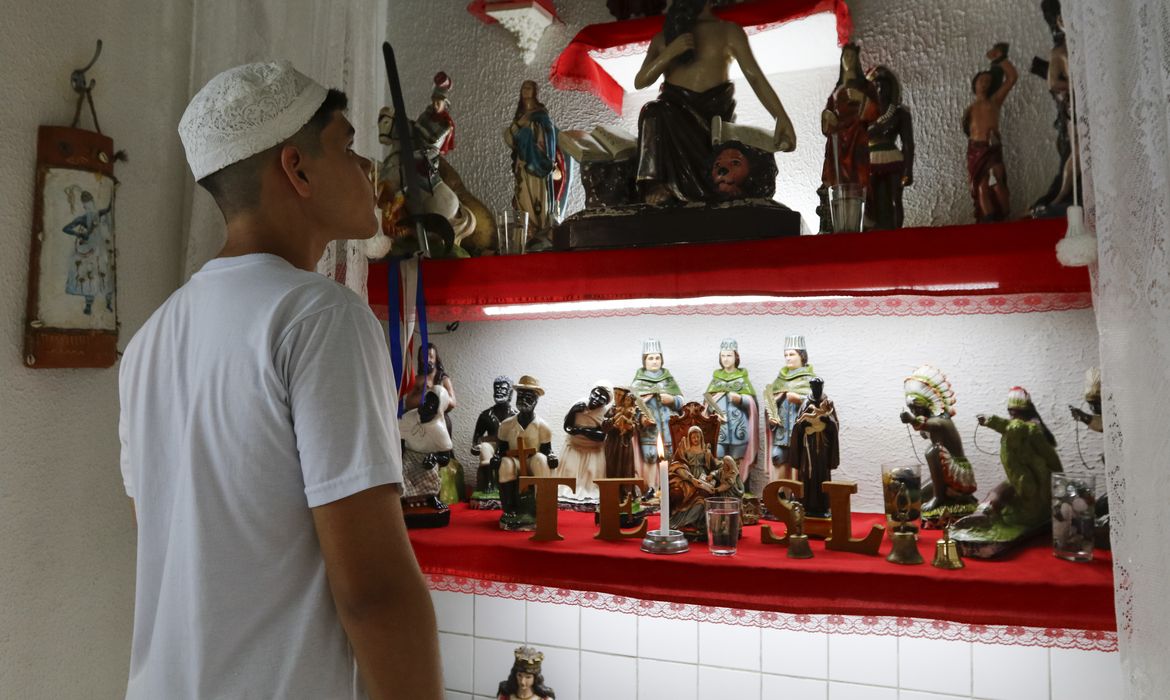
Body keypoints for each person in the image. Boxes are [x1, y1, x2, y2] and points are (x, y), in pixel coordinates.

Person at [118, 61, 442, 698]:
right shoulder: (320, 316)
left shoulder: (149, 342)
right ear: (296, 169)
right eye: (347, 146)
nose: (367, 169)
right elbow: (373, 593)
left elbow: (184, 552)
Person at [633, 0, 796, 204]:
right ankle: (654, 185)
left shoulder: (728, 31)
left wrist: (781, 117)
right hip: (672, 118)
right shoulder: (664, 38)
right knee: (653, 111)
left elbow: (755, 77)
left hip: (710, 121)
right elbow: (641, 81)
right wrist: (669, 52)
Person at [899, 365, 978, 527]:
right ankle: (940, 497)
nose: (914, 410)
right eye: (911, 408)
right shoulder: (930, 421)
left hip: (957, 469)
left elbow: (930, 424)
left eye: (917, 407)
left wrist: (913, 420)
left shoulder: (942, 421)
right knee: (918, 495)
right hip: (944, 470)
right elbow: (925, 427)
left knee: (932, 451)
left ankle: (940, 498)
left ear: (927, 405)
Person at [816, 43, 880, 233]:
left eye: (852, 57)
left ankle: (860, 221)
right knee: (837, 179)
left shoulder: (866, 87)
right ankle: (839, 223)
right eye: (845, 57)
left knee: (859, 177)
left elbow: (875, 111)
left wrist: (861, 98)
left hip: (856, 138)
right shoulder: (836, 91)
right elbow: (828, 116)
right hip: (837, 140)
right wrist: (827, 117)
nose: (848, 60)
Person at [503, 80, 565, 247]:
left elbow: (548, 139)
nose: (525, 90)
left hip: (539, 167)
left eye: (529, 87)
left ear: (535, 92)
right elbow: (509, 138)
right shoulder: (520, 116)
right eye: (523, 87)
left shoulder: (541, 116)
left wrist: (527, 134)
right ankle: (528, 233)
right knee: (523, 199)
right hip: (523, 166)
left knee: (539, 200)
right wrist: (521, 129)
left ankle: (541, 232)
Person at [493, 375, 558, 530]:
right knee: (506, 464)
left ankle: (541, 507)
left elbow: (546, 450)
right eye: (520, 396)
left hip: (531, 460)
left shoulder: (542, 427)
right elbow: (501, 449)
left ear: (536, 400)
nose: (524, 400)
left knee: (540, 460)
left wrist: (551, 457)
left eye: (529, 397)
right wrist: (496, 457)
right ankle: (510, 509)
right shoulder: (507, 425)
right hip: (514, 460)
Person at [962, 43, 1018, 222]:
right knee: (982, 186)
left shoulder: (994, 101)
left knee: (998, 183)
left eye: (988, 81)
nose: (985, 84)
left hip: (991, 148)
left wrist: (1000, 60)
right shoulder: (970, 109)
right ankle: (989, 219)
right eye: (981, 81)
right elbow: (966, 128)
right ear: (975, 84)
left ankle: (1005, 215)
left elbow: (1011, 78)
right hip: (975, 150)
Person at [630, 339, 684, 495]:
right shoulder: (638, 383)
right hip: (649, 431)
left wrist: (672, 400)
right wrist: (642, 420)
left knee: (669, 457)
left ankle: (669, 490)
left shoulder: (668, 380)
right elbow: (633, 407)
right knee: (650, 457)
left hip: (668, 428)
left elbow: (681, 403)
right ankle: (650, 489)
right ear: (644, 360)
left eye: (657, 358)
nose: (654, 361)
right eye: (650, 358)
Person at [865, 65, 915, 230]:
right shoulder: (865, 115)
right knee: (869, 200)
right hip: (870, 159)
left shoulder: (900, 114)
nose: (880, 89)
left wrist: (908, 170)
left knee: (895, 198)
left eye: (884, 85)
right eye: (876, 86)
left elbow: (908, 144)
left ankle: (896, 233)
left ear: (891, 88)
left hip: (892, 158)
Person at [703, 338, 758, 484]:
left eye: (729, 355)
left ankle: (740, 489)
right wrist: (713, 415)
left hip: (739, 430)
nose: (726, 359)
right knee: (718, 459)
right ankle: (721, 489)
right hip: (720, 431)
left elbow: (752, 404)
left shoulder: (742, 379)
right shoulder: (716, 380)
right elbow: (707, 404)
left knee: (737, 462)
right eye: (723, 356)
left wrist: (741, 399)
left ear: (736, 357)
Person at [766, 335, 815, 484]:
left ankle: (799, 498)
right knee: (777, 458)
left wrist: (800, 400)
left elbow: (818, 405)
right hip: (781, 434)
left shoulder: (810, 379)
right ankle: (779, 497)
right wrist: (771, 417)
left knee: (800, 465)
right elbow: (770, 403)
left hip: (800, 435)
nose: (788, 358)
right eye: (786, 355)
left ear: (802, 356)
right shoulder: (779, 380)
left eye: (792, 354)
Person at [788, 377, 839, 518]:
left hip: (823, 447)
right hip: (807, 447)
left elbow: (835, 425)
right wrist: (803, 426)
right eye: (814, 386)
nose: (817, 389)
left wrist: (828, 422)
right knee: (806, 475)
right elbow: (798, 424)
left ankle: (823, 507)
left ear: (822, 386)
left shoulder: (828, 403)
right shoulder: (806, 403)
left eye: (819, 386)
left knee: (822, 475)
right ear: (811, 387)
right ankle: (806, 506)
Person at [61, 188, 114, 316]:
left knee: (104, 274)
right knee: (89, 274)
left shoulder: (99, 213)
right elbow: (65, 228)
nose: (90, 205)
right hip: (90, 250)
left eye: (90, 202)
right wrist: (78, 233)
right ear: (84, 205)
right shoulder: (83, 218)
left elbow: (107, 209)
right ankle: (89, 305)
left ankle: (108, 303)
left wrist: (111, 196)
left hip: (100, 250)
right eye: (87, 203)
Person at [558, 382, 613, 505]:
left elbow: (602, 436)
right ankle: (566, 494)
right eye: (595, 394)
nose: (596, 399)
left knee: (590, 474)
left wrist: (581, 430)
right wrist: (573, 411)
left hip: (593, 450)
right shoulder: (579, 404)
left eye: (601, 399)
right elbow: (567, 427)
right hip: (573, 447)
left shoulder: (605, 414)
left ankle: (589, 495)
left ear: (605, 403)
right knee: (569, 471)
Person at [470, 376, 518, 499]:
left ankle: (511, 486)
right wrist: (475, 446)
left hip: (508, 447)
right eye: (496, 388)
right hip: (492, 445)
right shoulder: (486, 415)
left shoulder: (516, 416)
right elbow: (477, 436)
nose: (499, 391)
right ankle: (489, 482)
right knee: (484, 448)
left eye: (503, 388)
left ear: (511, 393)